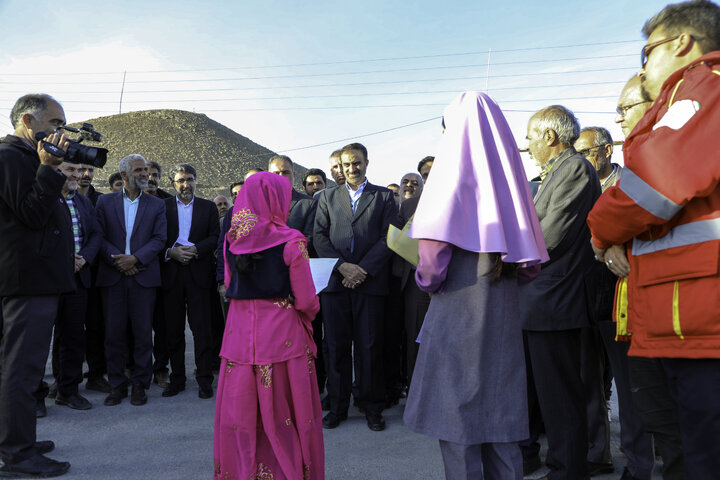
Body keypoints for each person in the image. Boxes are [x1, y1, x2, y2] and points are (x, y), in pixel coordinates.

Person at [587, 2, 720, 476]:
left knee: (702, 457)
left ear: (681, 43)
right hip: (687, 311)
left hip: (703, 317)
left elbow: (652, 186)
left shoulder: (703, 87)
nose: (644, 67)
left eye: (647, 52)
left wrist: (601, 231)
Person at [404, 91, 548, 480]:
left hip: (459, 307)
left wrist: (424, 278)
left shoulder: (448, 176)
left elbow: (431, 269)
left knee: (457, 420)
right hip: (503, 308)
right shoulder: (514, 181)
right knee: (500, 420)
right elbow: (530, 264)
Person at [213, 172, 323, 480]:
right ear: (278, 199)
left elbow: (232, 284)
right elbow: (306, 301)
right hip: (282, 340)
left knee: (242, 414)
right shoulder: (292, 241)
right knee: (286, 413)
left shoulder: (232, 240)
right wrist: (311, 315)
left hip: (238, 337)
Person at [608, 76, 686, 480]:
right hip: (644, 316)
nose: (620, 118)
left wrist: (608, 236)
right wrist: (607, 244)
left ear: (653, 107)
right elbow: (602, 221)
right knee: (662, 423)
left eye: (625, 108)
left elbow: (613, 215)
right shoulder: (638, 160)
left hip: (686, 317)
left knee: (689, 434)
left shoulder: (672, 151)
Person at [521, 105, 601, 480]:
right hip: (542, 301)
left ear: (550, 136)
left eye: (531, 137)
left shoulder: (574, 170)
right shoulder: (554, 172)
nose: (529, 145)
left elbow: (548, 237)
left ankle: (569, 470)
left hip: (556, 301)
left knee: (562, 396)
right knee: (548, 395)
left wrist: (505, 257)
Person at [0, 93, 73, 478]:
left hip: (36, 279)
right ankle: (17, 453)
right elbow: (30, 213)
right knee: (22, 369)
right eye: (55, 124)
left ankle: (16, 438)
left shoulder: (27, 157)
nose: (61, 133)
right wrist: (48, 169)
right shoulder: (10, 156)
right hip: (27, 281)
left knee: (19, 367)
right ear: (28, 121)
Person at [313, 142, 397, 431]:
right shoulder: (326, 197)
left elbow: (389, 238)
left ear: (366, 163)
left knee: (369, 347)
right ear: (339, 166)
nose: (351, 168)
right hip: (336, 284)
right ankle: (337, 407)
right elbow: (319, 236)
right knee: (335, 347)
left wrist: (362, 270)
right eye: (346, 164)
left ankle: (371, 405)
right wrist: (342, 267)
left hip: (369, 284)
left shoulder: (384, 197)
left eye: (356, 162)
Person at [95, 154, 167, 407]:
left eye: (145, 170)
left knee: (142, 335)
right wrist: (118, 260)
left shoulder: (156, 205)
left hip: (143, 277)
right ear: (124, 175)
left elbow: (159, 239)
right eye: (138, 170)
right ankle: (117, 385)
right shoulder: (104, 202)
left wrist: (135, 259)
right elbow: (98, 236)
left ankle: (140, 384)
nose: (144, 174)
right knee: (113, 334)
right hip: (113, 276)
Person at [160, 164, 219, 399]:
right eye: (181, 180)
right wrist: (170, 252)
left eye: (190, 179)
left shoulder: (208, 207)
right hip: (171, 273)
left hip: (199, 273)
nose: (186, 184)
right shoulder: (161, 207)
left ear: (196, 181)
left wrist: (195, 249)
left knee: (202, 330)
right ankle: (177, 379)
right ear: (173, 183)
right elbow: (155, 237)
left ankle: (205, 379)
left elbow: (215, 237)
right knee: (173, 331)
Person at [50, 160, 102, 411]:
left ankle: (67, 390)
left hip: (78, 277)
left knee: (72, 336)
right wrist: (64, 259)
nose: (77, 175)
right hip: (48, 279)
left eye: (78, 170)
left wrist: (84, 258)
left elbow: (95, 234)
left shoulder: (82, 202)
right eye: (70, 170)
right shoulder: (44, 198)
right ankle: (36, 394)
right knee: (40, 340)